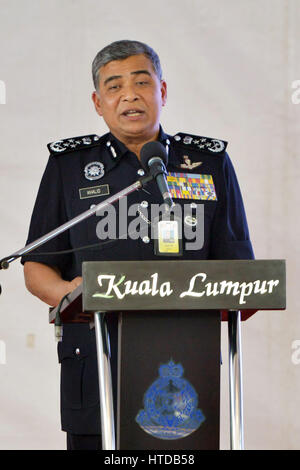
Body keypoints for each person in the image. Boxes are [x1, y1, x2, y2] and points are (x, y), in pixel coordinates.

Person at [21, 40, 254, 450]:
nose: (129, 94)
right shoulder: (70, 166)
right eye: (114, 86)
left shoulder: (208, 162)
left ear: (162, 92)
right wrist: (70, 295)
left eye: (142, 82)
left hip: (186, 362)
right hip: (95, 359)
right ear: (98, 102)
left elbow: (238, 269)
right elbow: (37, 265)